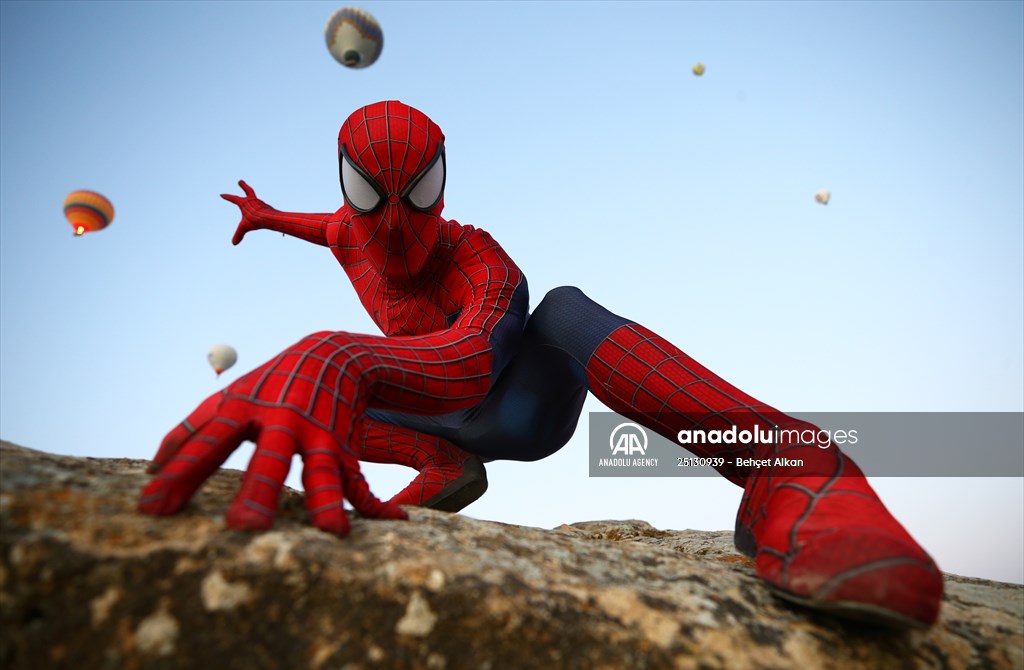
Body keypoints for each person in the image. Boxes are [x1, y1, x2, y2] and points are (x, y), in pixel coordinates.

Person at [140, 100, 942, 628]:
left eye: (417, 194)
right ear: (346, 188)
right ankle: (441, 465)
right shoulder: (346, 231)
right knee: (306, 395)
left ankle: (791, 463)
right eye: (367, 193)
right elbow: (322, 226)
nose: (392, 224)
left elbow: (468, 362)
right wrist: (264, 216)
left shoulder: (480, 261)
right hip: (427, 419)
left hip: (519, 400)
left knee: (560, 308)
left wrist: (332, 353)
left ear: (443, 184)